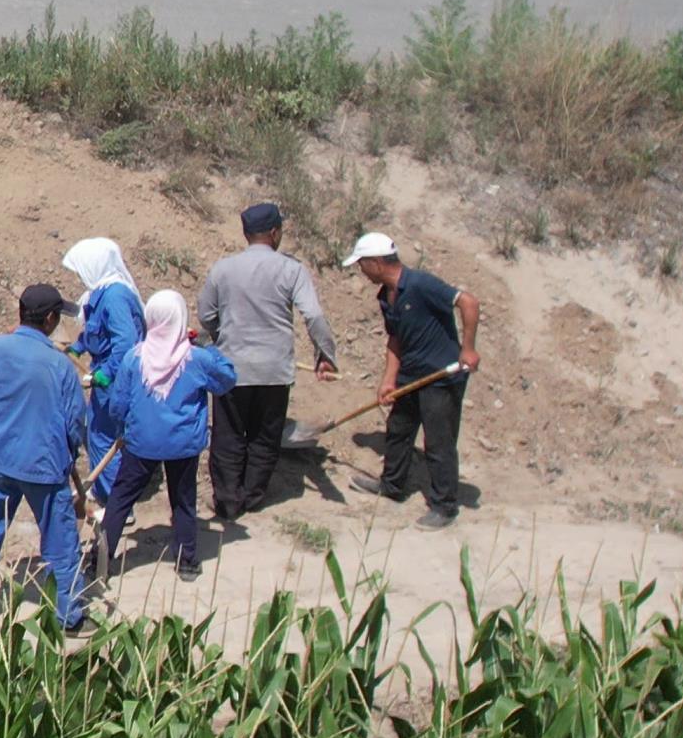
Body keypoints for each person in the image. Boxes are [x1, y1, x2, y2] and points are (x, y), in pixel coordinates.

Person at [0, 283, 91, 632]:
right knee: (60, 541)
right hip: (43, 465)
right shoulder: (60, 368)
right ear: (49, 319)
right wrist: (69, 455)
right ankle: (69, 615)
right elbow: (75, 421)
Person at [193, 203, 336, 520]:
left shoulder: (223, 269)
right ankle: (253, 496)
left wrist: (219, 337)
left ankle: (229, 502)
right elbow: (312, 314)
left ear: (245, 234)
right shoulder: (291, 269)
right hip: (275, 369)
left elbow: (205, 315)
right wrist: (324, 354)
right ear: (275, 233)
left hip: (233, 367)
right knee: (264, 435)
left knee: (228, 435)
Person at [104, 290, 239, 582]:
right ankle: (187, 560)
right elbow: (227, 380)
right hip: (183, 444)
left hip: (141, 442)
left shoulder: (134, 358)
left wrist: (122, 429)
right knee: (183, 499)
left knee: (121, 498)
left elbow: (118, 403)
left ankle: (99, 560)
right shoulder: (197, 359)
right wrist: (210, 348)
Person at [345, 233, 478, 530]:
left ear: (377, 262)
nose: (361, 271)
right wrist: (388, 380)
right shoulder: (385, 295)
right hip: (411, 375)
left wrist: (468, 348)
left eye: (362, 264)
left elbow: (468, 303)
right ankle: (392, 486)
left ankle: (444, 507)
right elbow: (395, 339)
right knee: (398, 431)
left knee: (439, 442)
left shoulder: (420, 284)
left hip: (441, 376)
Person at [60, 237, 142, 501]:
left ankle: (115, 502)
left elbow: (126, 342)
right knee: (98, 433)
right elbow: (96, 331)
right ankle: (109, 493)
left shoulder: (115, 296)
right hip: (103, 375)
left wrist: (107, 372)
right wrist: (78, 346)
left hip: (116, 380)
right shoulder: (100, 293)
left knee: (105, 437)